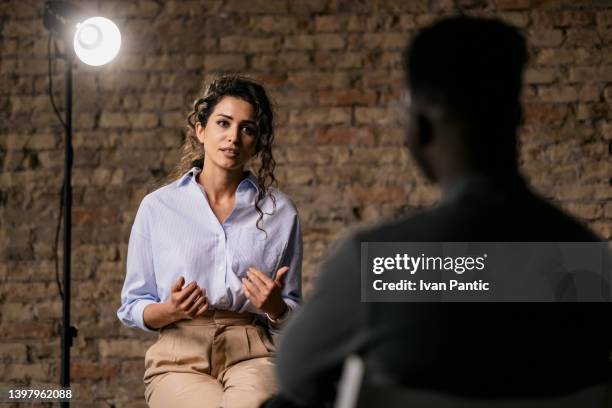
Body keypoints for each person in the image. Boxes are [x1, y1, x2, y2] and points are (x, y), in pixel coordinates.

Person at [269, 16, 611, 407]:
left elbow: (295, 374)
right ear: (516, 117)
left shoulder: (383, 265)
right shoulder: (587, 260)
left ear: (421, 123)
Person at [116, 75, 302, 408]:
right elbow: (133, 305)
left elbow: (292, 309)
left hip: (252, 353)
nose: (233, 137)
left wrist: (275, 307)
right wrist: (170, 309)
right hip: (178, 355)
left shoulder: (280, 211)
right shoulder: (158, 207)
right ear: (201, 130)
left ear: (257, 142)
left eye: (247, 129)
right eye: (223, 123)